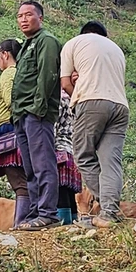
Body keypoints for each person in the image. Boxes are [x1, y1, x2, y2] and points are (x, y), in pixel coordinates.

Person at [60, 20, 129, 228]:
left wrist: (77, 95)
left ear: (83, 34)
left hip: (90, 102)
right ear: (104, 36)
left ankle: (108, 206)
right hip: (120, 106)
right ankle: (109, 212)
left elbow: (65, 83)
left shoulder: (73, 43)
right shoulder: (117, 50)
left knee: (82, 154)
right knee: (110, 161)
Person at [11, 0, 62, 231]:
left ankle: (48, 213)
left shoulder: (47, 41)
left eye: (28, 15)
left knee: (43, 164)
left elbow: (47, 76)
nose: (23, 19)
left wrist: (37, 109)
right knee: (30, 168)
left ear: (40, 18)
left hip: (36, 113)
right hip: (21, 114)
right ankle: (35, 213)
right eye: (19, 16)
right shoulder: (26, 45)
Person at [0, 39, 30, 227]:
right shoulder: (20, 73)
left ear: (5, 55)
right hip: (15, 127)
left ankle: (21, 222)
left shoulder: (8, 73)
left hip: (8, 128)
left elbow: (10, 99)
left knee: (18, 179)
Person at [55, 89, 82, 224]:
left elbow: (54, 127)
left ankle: (63, 224)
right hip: (72, 150)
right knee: (69, 192)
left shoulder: (58, 100)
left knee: (60, 189)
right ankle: (73, 221)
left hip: (59, 148)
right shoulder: (73, 99)